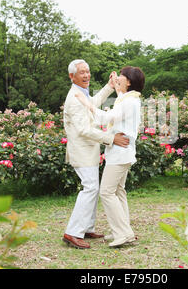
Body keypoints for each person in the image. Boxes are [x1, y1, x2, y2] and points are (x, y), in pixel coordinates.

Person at [62, 59, 130, 249]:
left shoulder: (80, 93)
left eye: (88, 71)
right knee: (90, 188)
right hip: (82, 152)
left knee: (92, 186)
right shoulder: (74, 98)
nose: (86, 75)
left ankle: (86, 228)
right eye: (82, 72)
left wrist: (109, 87)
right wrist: (111, 138)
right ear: (71, 76)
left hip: (88, 152)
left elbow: (93, 103)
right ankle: (73, 232)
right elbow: (84, 130)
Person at [75, 66, 145, 247]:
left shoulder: (129, 102)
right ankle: (122, 231)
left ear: (129, 81)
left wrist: (87, 103)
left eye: (122, 76)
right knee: (118, 191)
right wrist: (114, 84)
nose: (118, 78)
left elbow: (106, 119)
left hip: (120, 155)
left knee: (106, 192)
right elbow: (118, 105)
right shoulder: (129, 99)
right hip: (122, 154)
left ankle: (123, 233)